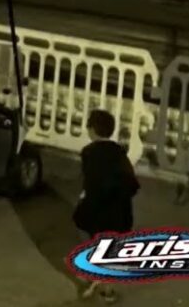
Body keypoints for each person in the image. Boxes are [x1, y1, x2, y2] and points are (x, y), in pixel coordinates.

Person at [73, 109, 140, 303]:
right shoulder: (120, 152)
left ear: (92, 130)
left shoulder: (89, 153)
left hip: (97, 210)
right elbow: (132, 184)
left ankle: (95, 277)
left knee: (89, 235)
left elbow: (91, 182)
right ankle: (105, 287)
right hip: (119, 213)